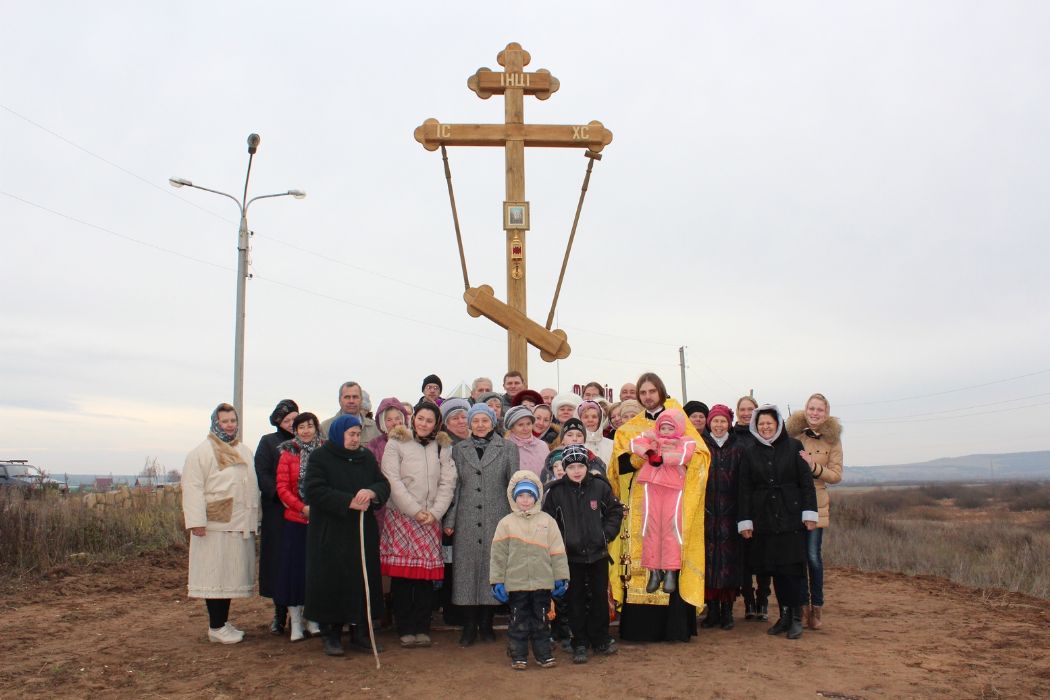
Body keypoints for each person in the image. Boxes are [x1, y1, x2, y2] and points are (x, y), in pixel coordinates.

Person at [607, 372, 709, 642]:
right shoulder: (629, 428)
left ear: (661, 392)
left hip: (674, 501)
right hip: (640, 504)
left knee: (672, 546)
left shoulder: (680, 420)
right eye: (643, 392)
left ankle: (675, 628)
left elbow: (700, 456)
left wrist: (672, 458)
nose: (648, 396)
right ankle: (642, 629)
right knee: (644, 555)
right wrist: (642, 460)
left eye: (652, 391)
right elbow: (618, 466)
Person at [303, 415, 391, 656]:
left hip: (362, 532)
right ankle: (331, 634)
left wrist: (371, 492)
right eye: (351, 434)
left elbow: (383, 485)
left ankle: (360, 632)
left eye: (357, 434)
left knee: (361, 581)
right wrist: (348, 502)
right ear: (338, 433)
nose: (355, 439)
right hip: (331, 533)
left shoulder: (366, 458)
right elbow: (314, 489)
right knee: (332, 582)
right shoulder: (321, 457)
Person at [738, 405, 818, 641]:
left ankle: (795, 618)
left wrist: (809, 514)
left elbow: (806, 483)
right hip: (764, 519)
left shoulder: (794, 447)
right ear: (755, 426)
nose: (765, 427)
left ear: (778, 424)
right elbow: (744, 488)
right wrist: (746, 521)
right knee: (774, 569)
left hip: (791, 517)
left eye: (769, 423)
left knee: (792, 570)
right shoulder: (750, 452)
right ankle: (783, 616)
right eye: (761, 423)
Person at [380, 401, 456, 648]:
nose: (424, 424)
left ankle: (422, 626)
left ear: (437, 424)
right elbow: (391, 478)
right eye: (420, 419)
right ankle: (405, 627)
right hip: (403, 516)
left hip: (430, 517)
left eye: (429, 420)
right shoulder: (397, 442)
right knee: (403, 577)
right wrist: (414, 510)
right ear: (413, 419)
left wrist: (435, 512)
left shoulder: (442, 447)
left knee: (424, 578)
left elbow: (448, 481)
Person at [183, 403, 260, 644]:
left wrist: (256, 518)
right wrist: (196, 522)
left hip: (238, 523)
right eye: (225, 421)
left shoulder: (244, 450)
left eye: (233, 421)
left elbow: (251, 487)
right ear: (216, 423)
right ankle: (216, 626)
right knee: (214, 576)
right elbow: (192, 488)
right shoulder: (201, 452)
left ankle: (222, 623)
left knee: (229, 576)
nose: (230, 425)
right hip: (214, 525)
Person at [444, 403, 520, 646]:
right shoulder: (458, 450)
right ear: (469, 423)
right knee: (466, 571)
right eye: (475, 420)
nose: (480, 425)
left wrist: (515, 518)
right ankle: (468, 626)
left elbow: (513, 485)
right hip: (466, 516)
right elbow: (455, 487)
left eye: (484, 421)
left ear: (492, 422)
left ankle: (487, 624)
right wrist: (451, 519)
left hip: (497, 517)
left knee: (492, 569)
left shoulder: (508, 448)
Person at [542, 444, 624, 664]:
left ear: (587, 466)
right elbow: (547, 522)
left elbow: (615, 512)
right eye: (571, 467)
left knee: (599, 598)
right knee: (574, 600)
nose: (576, 471)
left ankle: (601, 639)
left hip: (597, 554)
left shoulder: (600, 487)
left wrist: (605, 535)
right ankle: (579, 642)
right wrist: (559, 543)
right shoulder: (556, 492)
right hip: (570, 557)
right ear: (565, 469)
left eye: (580, 466)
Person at [490, 471, 570, 670]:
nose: (525, 500)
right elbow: (498, 555)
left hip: (542, 583)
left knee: (541, 620)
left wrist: (561, 577)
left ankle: (543, 654)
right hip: (516, 584)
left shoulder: (547, 522)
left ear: (536, 497)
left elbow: (558, 552)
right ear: (514, 497)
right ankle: (518, 655)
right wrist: (497, 580)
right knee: (518, 620)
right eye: (521, 496)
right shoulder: (505, 523)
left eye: (529, 496)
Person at [786, 393, 843, 630]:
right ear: (805, 410)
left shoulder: (833, 440)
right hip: (794, 502)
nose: (815, 413)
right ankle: (800, 606)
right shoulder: (793, 434)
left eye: (820, 409)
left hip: (817, 502)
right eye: (811, 408)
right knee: (797, 558)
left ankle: (817, 606)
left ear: (826, 413)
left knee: (812, 557)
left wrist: (814, 466)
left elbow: (837, 475)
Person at [629, 408, 697, 595]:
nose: (666, 432)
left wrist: (664, 458)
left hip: (674, 485)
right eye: (663, 428)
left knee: (672, 527)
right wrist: (650, 452)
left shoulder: (685, 440)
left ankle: (670, 571)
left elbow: (686, 455)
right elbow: (634, 442)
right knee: (650, 527)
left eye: (670, 428)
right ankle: (654, 571)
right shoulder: (652, 436)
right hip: (651, 483)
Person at [274, 412, 323, 641]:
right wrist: (301, 508)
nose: (306, 430)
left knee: (314, 572)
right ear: (295, 429)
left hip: (320, 521)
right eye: (301, 426)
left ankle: (313, 618)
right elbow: (282, 487)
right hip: (295, 519)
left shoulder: (323, 451)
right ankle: (295, 621)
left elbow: (327, 483)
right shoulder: (287, 452)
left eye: (310, 426)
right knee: (294, 572)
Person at [699, 404, 746, 630]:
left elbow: (743, 481)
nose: (719, 425)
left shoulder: (738, 447)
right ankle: (713, 610)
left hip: (730, 512)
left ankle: (727, 610)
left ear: (729, 423)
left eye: (723, 421)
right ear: (709, 422)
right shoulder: (701, 445)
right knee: (708, 562)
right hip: (706, 512)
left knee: (728, 563)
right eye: (715, 421)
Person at [255, 398, 298, 635]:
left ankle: (300, 616)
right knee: (279, 563)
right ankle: (279, 614)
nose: (292, 424)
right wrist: (281, 495)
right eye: (287, 420)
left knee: (298, 563)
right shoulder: (269, 442)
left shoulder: (304, 442)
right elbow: (261, 473)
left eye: (295, 418)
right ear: (278, 421)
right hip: (277, 511)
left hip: (301, 511)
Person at [732, 394, 766, 620]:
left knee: (763, 557)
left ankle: (763, 599)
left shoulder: (762, 436)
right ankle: (749, 601)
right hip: (737, 504)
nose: (746, 413)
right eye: (742, 409)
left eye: (750, 409)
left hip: (761, 505)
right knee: (742, 558)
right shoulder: (732, 436)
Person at [541, 418, 606, 484]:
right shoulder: (552, 462)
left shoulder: (595, 462)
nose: (574, 439)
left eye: (579, 435)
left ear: (584, 440)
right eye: (569, 435)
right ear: (562, 440)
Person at [504, 405, 549, 478]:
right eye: (520, 425)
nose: (525, 428)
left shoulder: (542, 445)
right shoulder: (505, 448)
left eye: (528, 424)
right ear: (511, 427)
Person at [366, 397, 410, 465]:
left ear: (403, 419)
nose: (394, 423)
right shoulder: (374, 445)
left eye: (397, 418)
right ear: (382, 422)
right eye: (389, 420)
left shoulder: (411, 441)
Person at [577, 400, 613, 465]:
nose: (590, 420)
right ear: (579, 420)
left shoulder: (611, 444)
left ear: (600, 419)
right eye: (586, 417)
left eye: (594, 417)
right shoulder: (575, 445)